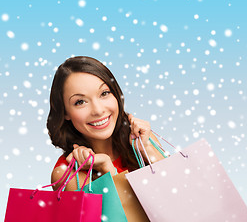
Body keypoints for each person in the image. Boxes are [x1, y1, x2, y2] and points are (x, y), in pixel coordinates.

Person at [47, 56, 164, 191]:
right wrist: (106, 170)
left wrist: (147, 149)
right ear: (65, 112)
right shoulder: (67, 174)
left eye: (104, 93)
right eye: (80, 102)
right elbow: (128, 212)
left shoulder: (143, 141)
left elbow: (180, 191)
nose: (98, 110)